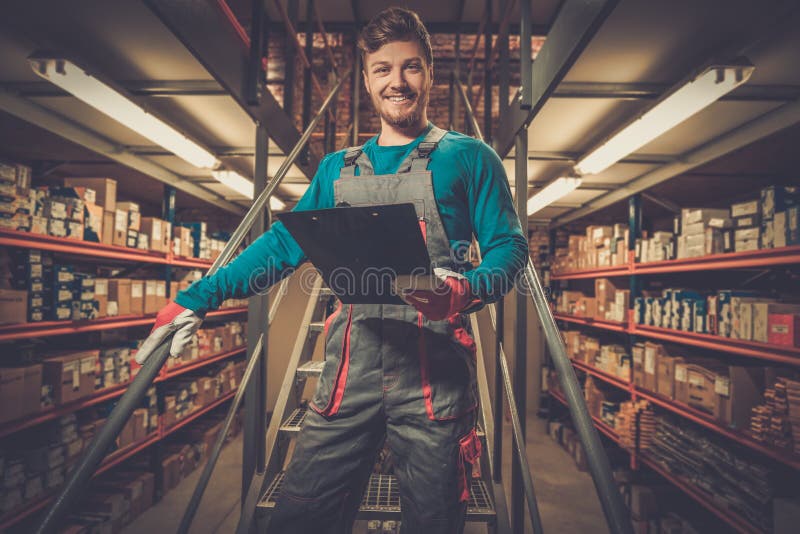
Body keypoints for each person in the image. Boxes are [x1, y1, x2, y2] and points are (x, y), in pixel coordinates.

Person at [138, 7, 528, 533]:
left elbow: (509, 248)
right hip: (348, 377)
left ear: (430, 73)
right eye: (383, 69)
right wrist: (199, 296)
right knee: (299, 519)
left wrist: (464, 290)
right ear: (366, 80)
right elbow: (283, 244)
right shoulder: (336, 169)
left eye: (411, 66)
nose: (397, 81)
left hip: (434, 382)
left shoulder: (469, 157)